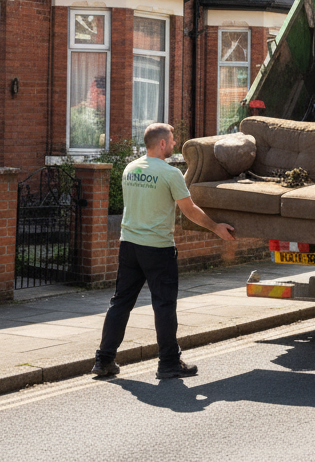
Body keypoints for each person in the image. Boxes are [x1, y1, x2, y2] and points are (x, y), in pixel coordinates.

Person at [92, 123, 236, 379]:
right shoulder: (170, 174)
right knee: (164, 305)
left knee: (120, 303)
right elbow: (189, 210)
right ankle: (168, 363)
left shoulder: (130, 168)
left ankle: (104, 360)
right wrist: (216, 227)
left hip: (129, 246)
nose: (173, 144)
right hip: (157, 248)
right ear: (161, 143)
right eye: (171, 141)